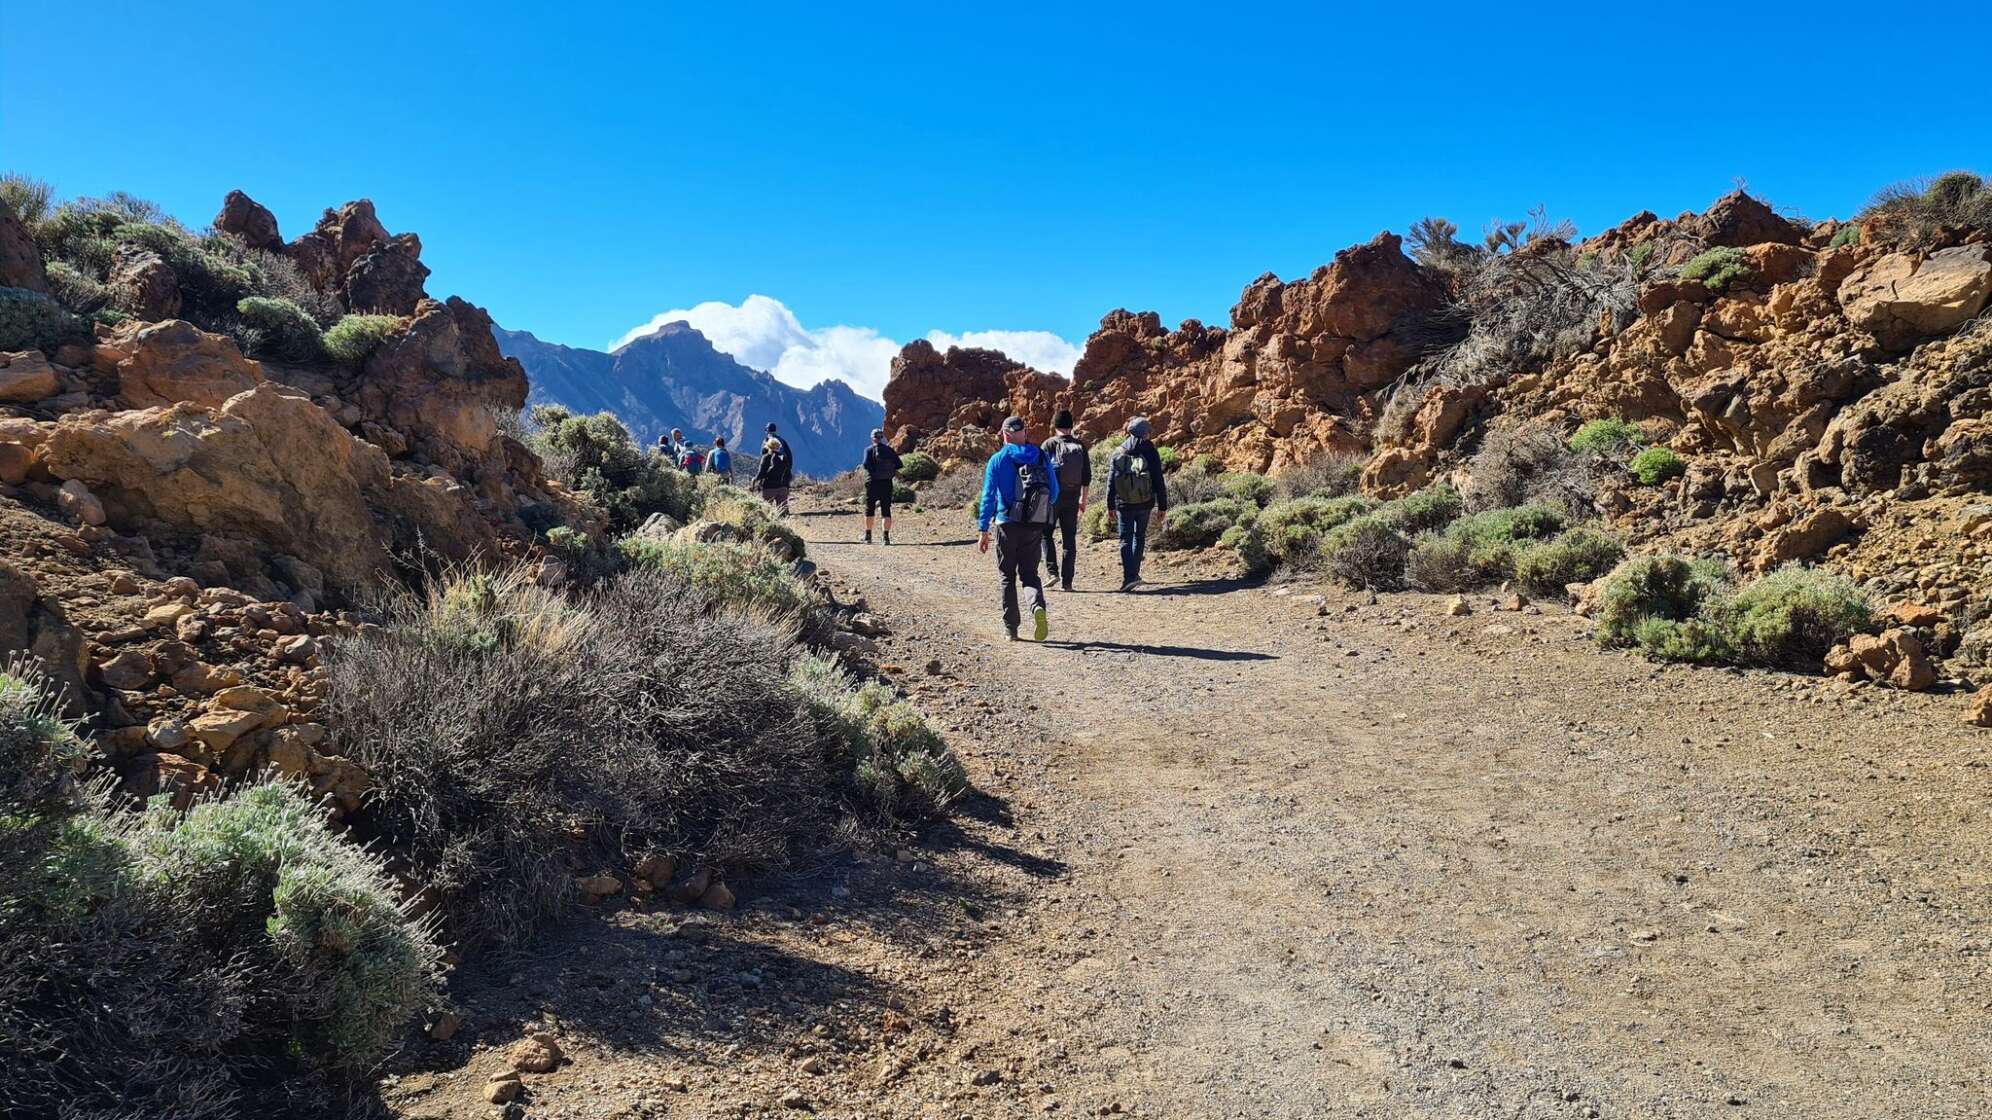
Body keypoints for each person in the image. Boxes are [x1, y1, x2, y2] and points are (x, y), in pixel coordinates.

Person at [977, 415, 1059, 641]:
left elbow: (988, 497)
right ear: (1025, 433)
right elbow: (1054, 492)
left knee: (1007, 576)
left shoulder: (998, 459)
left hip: (1006, 524)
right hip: (1034, 526)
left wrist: (983, 529)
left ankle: (1011, 629)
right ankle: (1036, 606)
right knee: (1030, 575)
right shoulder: (1041, 456)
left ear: (1005, 435)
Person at [1105, 416, 1168, 592]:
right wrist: (1162, 505)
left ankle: (1130, 577)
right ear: (1145, 433)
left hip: (1124, 504)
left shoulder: (1119, 451)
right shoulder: (1150, 451)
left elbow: (1111, 481)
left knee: (1125, 539)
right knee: (1139, 537)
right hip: (1145, 503)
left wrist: (1110, 504)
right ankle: (1134, 575)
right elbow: (1158, 480)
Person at [1039, 409, 1090, 592]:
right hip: (1073, 496)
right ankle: (1067, 582)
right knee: (1069, 540)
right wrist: (1082, 500)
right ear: (1071, 426)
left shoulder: (1048, 444)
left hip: (1053, 498)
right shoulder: (1080, 446)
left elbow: (1040, 472)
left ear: (1055, 425)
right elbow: (1086, 476)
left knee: (1046, 534)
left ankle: (1053, 573)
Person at [861, 428, 903, 544]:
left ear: (872, 438)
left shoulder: (869, 450)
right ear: (882, 438)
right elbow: (899, 464)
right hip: (886, 482)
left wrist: (873, 471)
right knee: (886, 509)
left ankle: (868, 536)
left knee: (869, 508)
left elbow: (865, 465)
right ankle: (886, 538)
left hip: (872, 483)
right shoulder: (890, 450)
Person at [753, 435, 793, 515]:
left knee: (766, 512)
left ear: (768, 447)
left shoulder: (766, 457)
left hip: (769, 488)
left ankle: (771, 526)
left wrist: (754, 480)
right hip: (782, 488)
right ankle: (785, 526)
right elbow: (788, 473)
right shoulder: (783, 457)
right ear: (779, 447)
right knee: (783, 513)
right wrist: (787, 486)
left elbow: (761, 473)